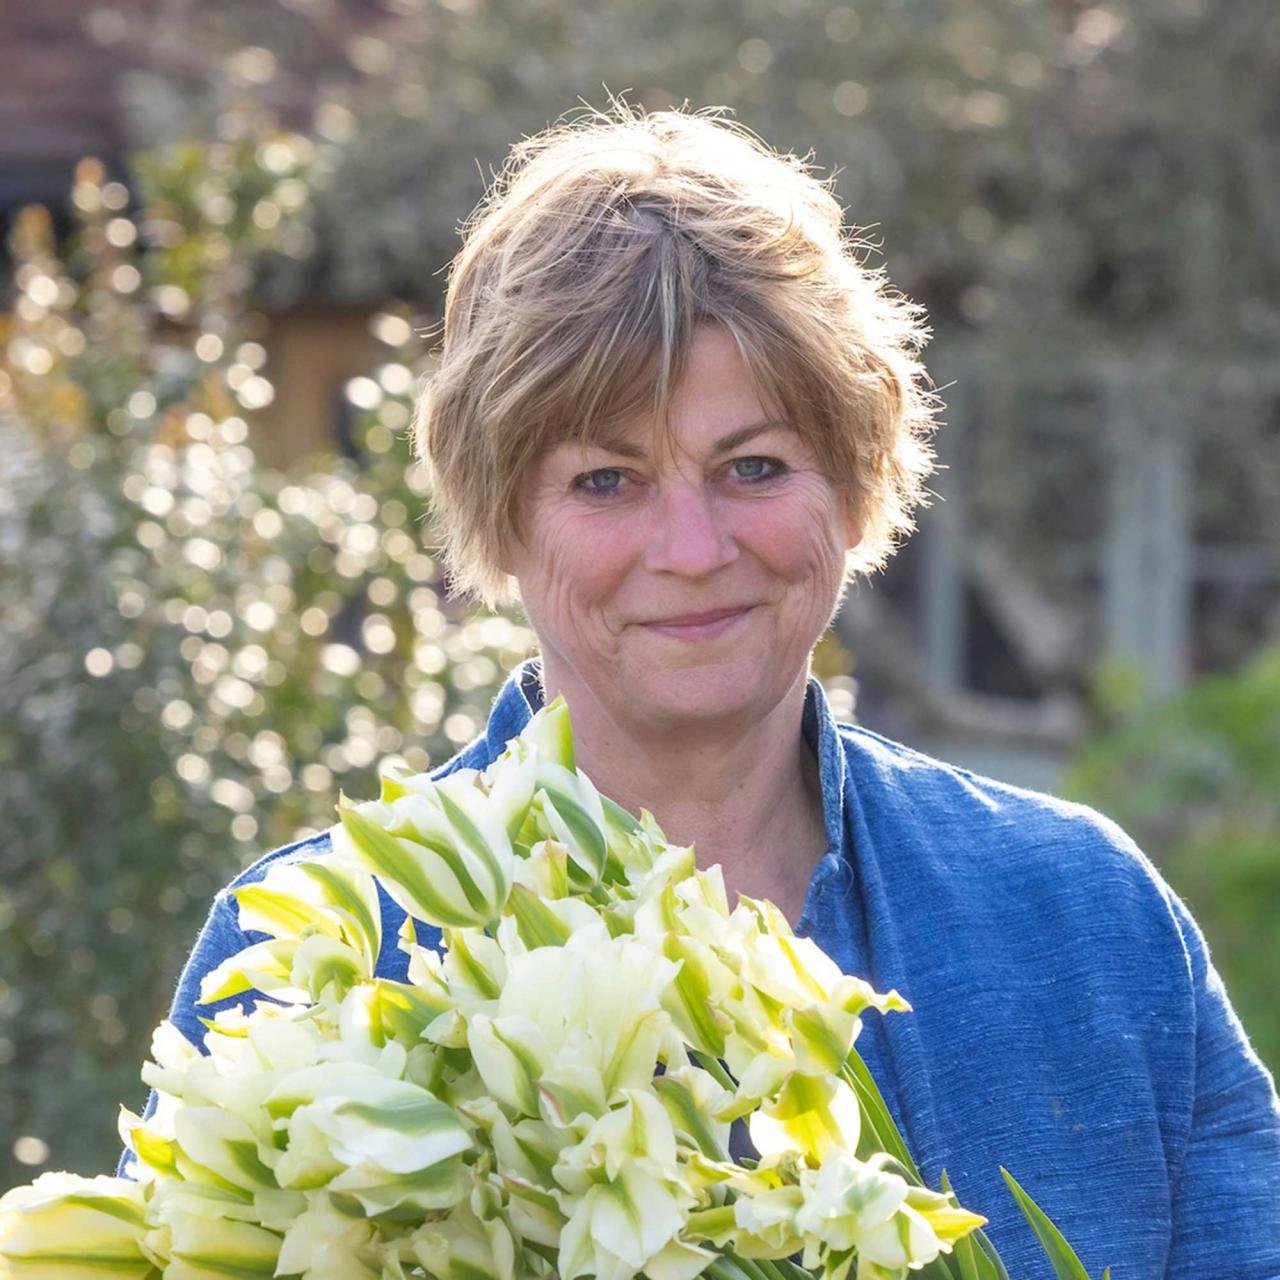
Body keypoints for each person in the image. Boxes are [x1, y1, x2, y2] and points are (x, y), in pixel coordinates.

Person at [134, 103, 1280, 1275]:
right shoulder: (316, 957)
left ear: (852, 480)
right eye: (604, 479)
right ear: (499, 516)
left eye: (753, 465)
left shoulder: (1083, 923)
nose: (690, 546)